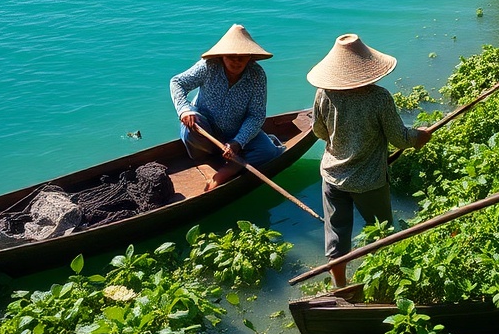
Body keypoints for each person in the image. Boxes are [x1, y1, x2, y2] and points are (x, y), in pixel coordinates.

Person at [308, 34, 431, 288]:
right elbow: (400, 138)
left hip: (332, 178)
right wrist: (420, 137)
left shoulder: (324, 94)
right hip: (370, 182)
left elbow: (318, 131)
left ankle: (340, 287)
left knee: (336, 239)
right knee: (382, 233)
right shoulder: (379, 98)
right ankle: (385, 283)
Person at [170, 24, 284, 191]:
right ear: (222, 56)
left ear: (250, 57)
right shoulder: (209, 66)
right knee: (191, 127)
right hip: (205, 133)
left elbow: (256, 115)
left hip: (236, 131)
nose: (236, 61)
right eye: (231, 56)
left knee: (268, 151)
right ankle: (209, 157)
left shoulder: (257, 76)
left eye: (242, 57)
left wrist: (237, 142)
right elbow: (177, 82)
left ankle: (228, 170)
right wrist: (184, 109)